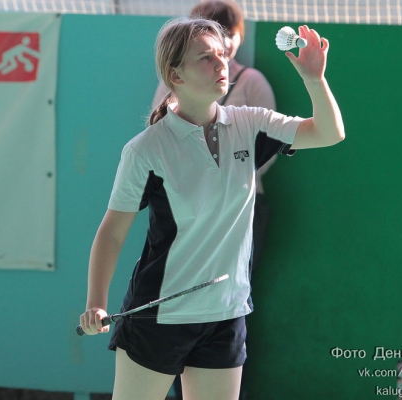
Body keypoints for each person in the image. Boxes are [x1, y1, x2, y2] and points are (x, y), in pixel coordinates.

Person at [79, 16, 344, 400]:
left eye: (222, 54)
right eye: (206, 57)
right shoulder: (145, 150)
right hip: (159, 316)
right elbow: (112, 232)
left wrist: (315, 80)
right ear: (176, 75)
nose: (222, 63)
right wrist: (95, 304)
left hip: (226, 314)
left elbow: (328, 133)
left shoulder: (251, 125)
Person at [151, 2, 279, 398]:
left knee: (230, 302)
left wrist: (227, 181)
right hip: (183, 208)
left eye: (227, 36)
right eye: (205, 48)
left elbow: (269, 147)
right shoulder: (165, 103)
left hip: (242, 210)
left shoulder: (252, 82)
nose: (220, 49)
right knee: (178, 297)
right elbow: (160, 133)